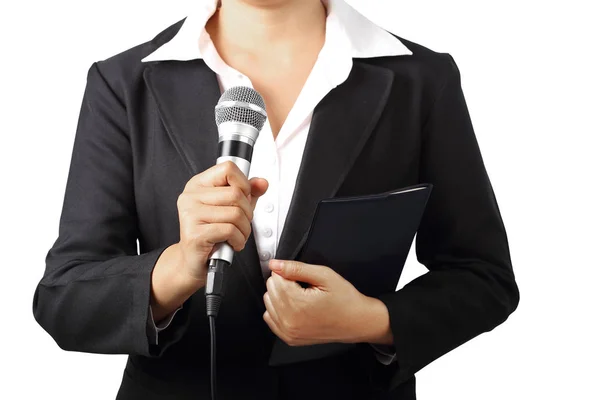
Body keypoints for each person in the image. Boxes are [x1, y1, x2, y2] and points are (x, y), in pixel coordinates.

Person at [32, 0, 520, 399]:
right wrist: (178, 268)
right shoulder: (123, 84)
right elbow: (64, 298)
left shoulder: (420, 81)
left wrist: (372, 321)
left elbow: (484, 277)